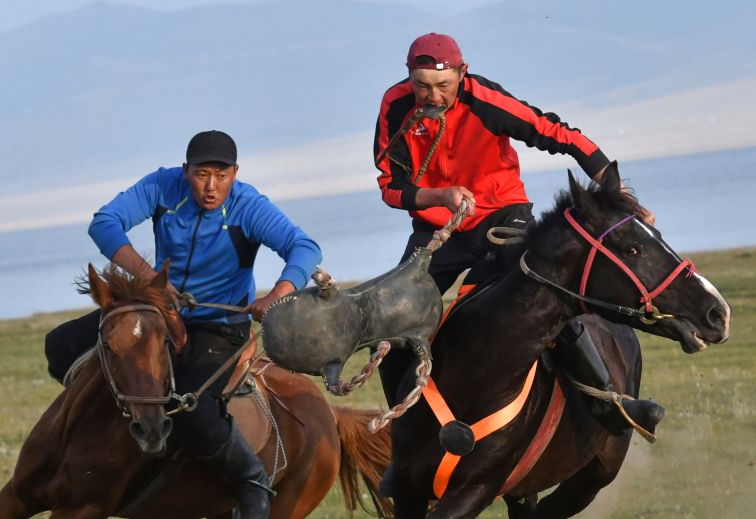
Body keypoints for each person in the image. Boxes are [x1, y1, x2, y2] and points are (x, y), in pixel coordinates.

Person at [373, 33, 663, 464]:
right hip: (440, 226)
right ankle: (406, 432)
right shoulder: (396, 106)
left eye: (443, 85)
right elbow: (390, 186)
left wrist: (615, 192)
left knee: (541, 298)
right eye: (421, 85)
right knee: (389, 323)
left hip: (502, 215)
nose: (432, 95)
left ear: (461, 73)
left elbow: (556, 133)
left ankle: (608, 401)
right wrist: (442, 197)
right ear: (408, 79)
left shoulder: (486, 100)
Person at [45, 130, 322, 518]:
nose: (211, 187)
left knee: (192, 410)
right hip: (159, 315)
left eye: (221, 176)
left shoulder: (249, 206)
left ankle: (250, 479)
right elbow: (105, 223)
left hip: (220, 326)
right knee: (59, 347)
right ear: (185, 170)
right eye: (201, 174)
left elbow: (305, 248)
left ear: (235, 173)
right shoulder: (163, 186)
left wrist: (277, 295)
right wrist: (149, 280)